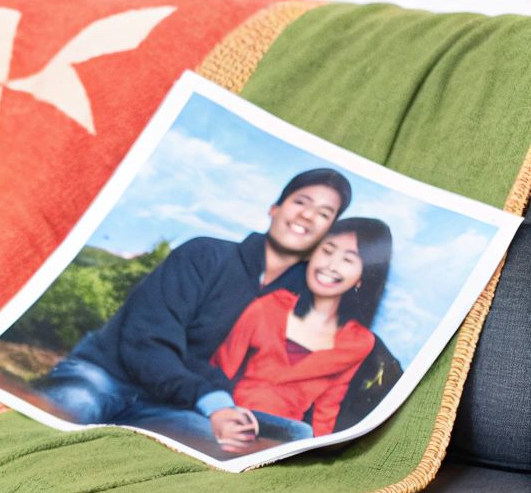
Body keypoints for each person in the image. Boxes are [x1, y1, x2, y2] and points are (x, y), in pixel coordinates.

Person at [35, 168, 353, 449]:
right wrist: (213, 402)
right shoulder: (204, 255)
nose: (308, 215)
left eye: (324, 213)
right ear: (274, 208)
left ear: (329, 232)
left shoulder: (301, 298)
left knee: (274, 439)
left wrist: (222, 409)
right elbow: (146, 341)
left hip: (175, 406)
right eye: (301, 202)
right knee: (69, 409)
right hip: (106, 376)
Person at [208, 217, 390, 449]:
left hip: (286, 436)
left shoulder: (359, 342)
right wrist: (219, 415)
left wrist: (315, 453)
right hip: (233, 418)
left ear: (362, 277)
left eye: (348, 259)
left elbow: (327, 409)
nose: (330, 265)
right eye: (327, 251)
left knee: (302, 432)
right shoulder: (268, 306)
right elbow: (221, 368)